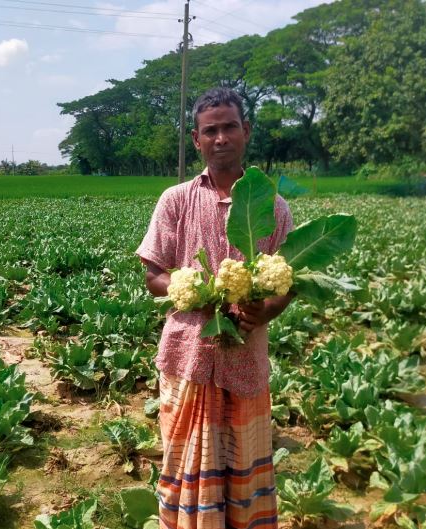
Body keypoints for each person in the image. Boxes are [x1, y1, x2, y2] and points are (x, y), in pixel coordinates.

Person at [135, 87, 294, 529]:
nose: (220, 137)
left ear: (246, 131)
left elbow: (290, 280)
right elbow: (153, 276)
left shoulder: (274, 207)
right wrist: (189, 287)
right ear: (196, 139)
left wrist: (269, 310)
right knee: (186, 466)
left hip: (244, 359)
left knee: (244, 472)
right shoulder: (175, 200)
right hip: (188, 357)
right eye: (211, 131)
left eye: (229, 127)